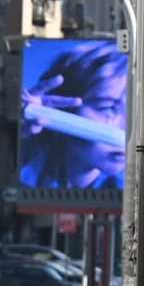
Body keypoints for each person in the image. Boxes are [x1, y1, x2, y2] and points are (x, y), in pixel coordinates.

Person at [19, 42, 128, 189]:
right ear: (63, 109)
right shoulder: (23, 173)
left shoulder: (133, 190)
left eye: (134, 113)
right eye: (107, 108)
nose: (127, 128)